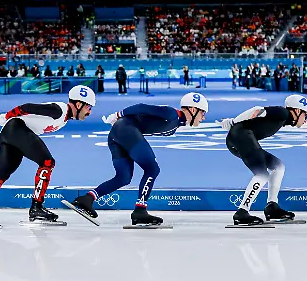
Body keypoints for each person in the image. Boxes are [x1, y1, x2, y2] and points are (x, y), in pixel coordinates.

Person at [0, 86, 96, 227]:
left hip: (10, 134)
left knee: (1, 175)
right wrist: (6, 116)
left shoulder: (63, 117)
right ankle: (37, 207)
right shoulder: (60, 110)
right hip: (16, 129)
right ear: (78, 104)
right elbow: (26, 107)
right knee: (47, 162)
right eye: (88, 107)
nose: (89, 111)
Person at [70, 93, 208, 227]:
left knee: (123, 177)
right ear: (193, 109)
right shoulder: (172, 114)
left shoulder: (175, 125)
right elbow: (142, 107)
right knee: (152, 169)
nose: (203, 118)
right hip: (125, 129)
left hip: (118, 134)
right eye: (203, 113)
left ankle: (87, 199)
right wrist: (119, 114)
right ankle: (140, 210)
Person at [218, 94, 307, 226]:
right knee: (262, 175)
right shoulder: (282, 113)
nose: (305, 120)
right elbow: (257, 110)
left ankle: (272, 207)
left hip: (240, 138)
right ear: (297, 110)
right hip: (241, 137)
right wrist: (234, 122)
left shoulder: (282, 119)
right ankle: (242, 212)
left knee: (278, 166)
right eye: (305, 115)